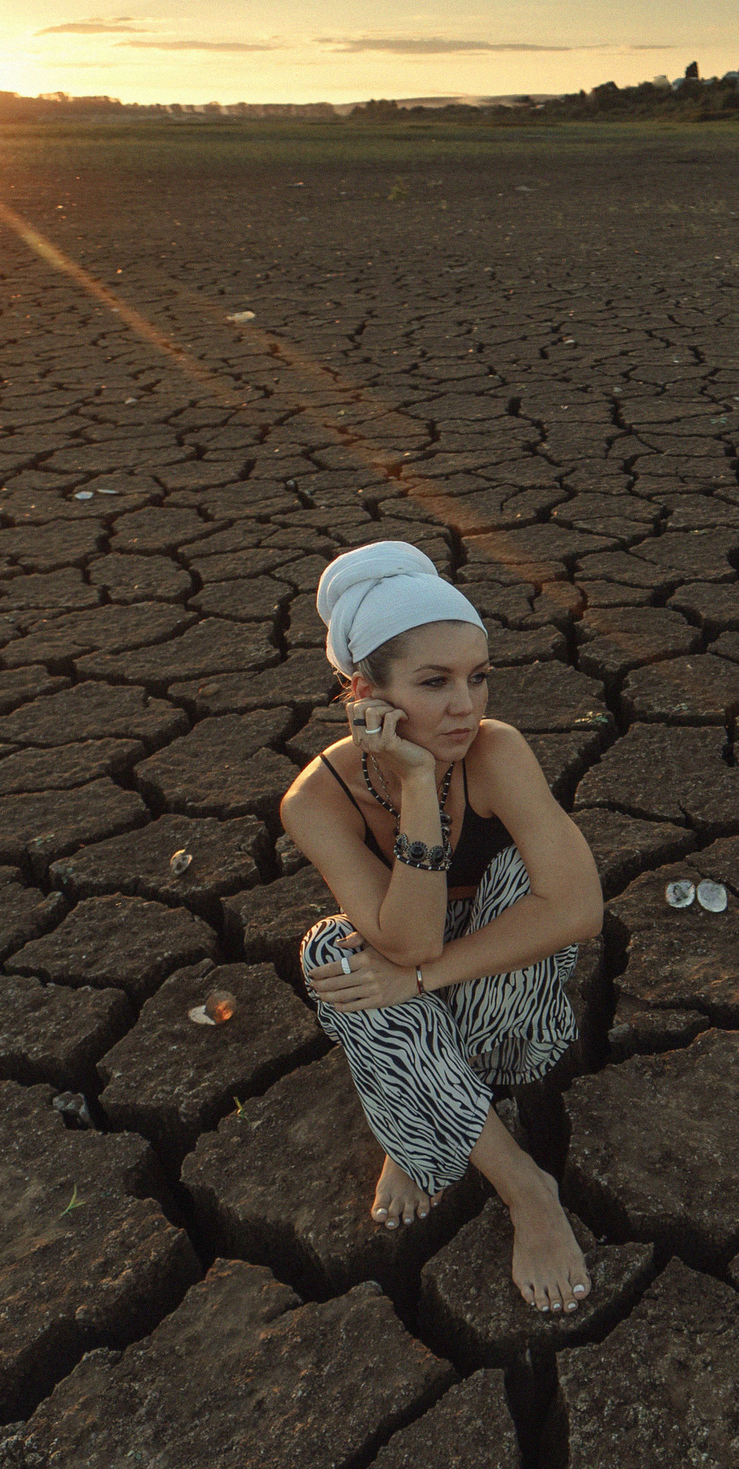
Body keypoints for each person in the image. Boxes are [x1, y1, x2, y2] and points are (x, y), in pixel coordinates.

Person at [280, 540, 603, 1314]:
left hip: (510, 1020)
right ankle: (524, 1182)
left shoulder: (498, 753)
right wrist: (418, 781)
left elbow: (578, 910)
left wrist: (417, 980)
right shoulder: (314, 800)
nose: (467, 704)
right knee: (333, 948)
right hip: (407, 993)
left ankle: (416, 1114)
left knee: (528, 878)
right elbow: (409, 938)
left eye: (478, 676)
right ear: (366, 694)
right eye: (435, 682)